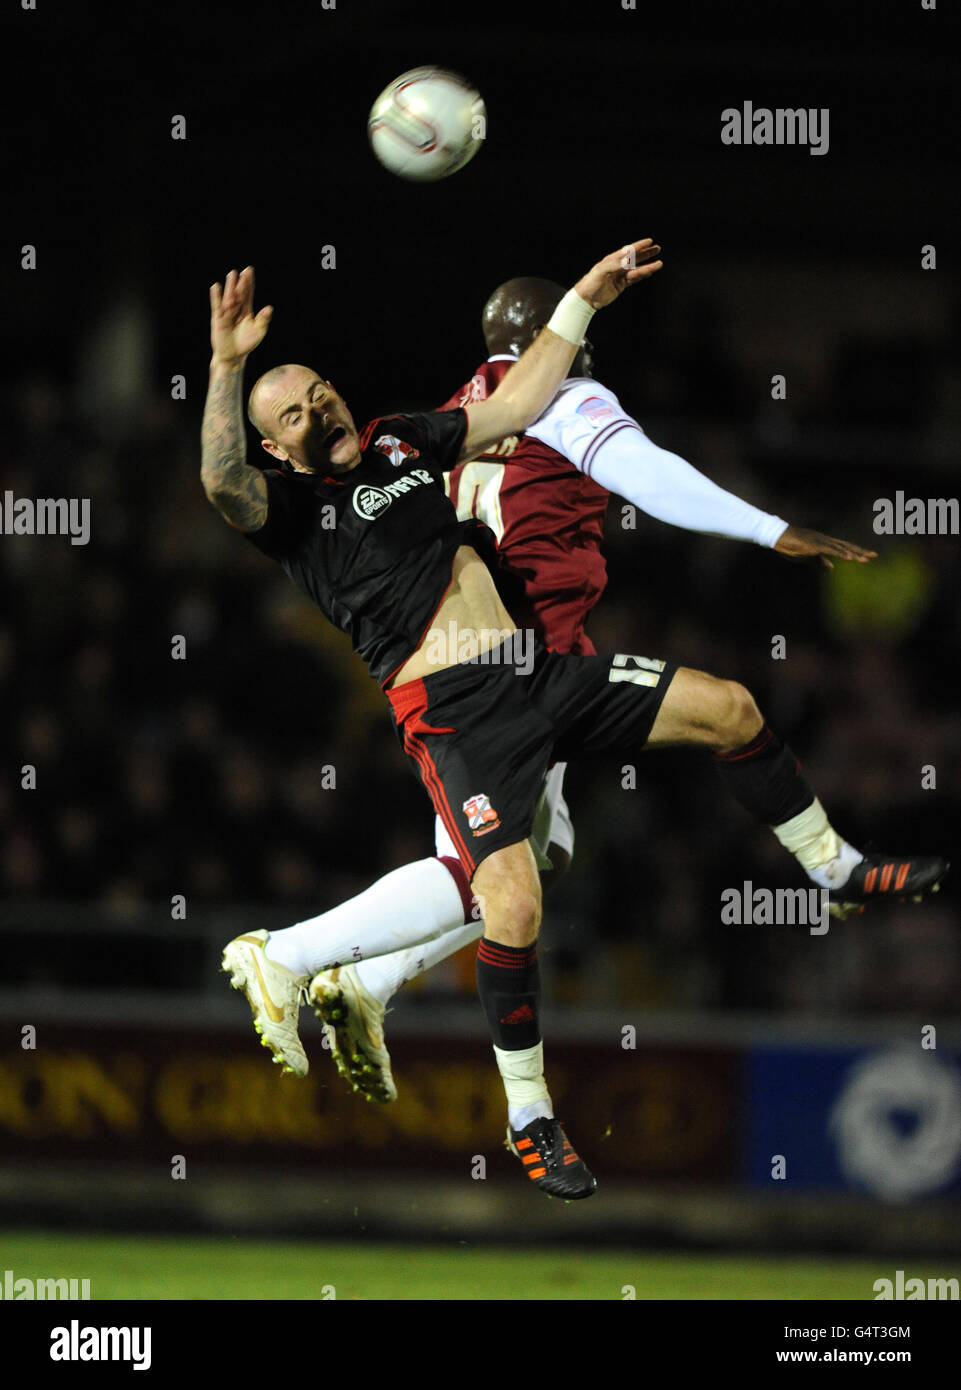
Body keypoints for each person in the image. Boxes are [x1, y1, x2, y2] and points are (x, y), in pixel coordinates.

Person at [203, 255, 946, 1200]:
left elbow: (515, 407)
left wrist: (584, 297)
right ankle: (487, 1089)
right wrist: (227, 365)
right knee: (508, 899)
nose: (319, 411)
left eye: (319, 393)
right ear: (277, 448)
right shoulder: (290, 512)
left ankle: (831, 867)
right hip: (454, 710)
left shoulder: (402, 440)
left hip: (539, 671)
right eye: (295, 415)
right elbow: (223, 480)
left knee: (727, 711)